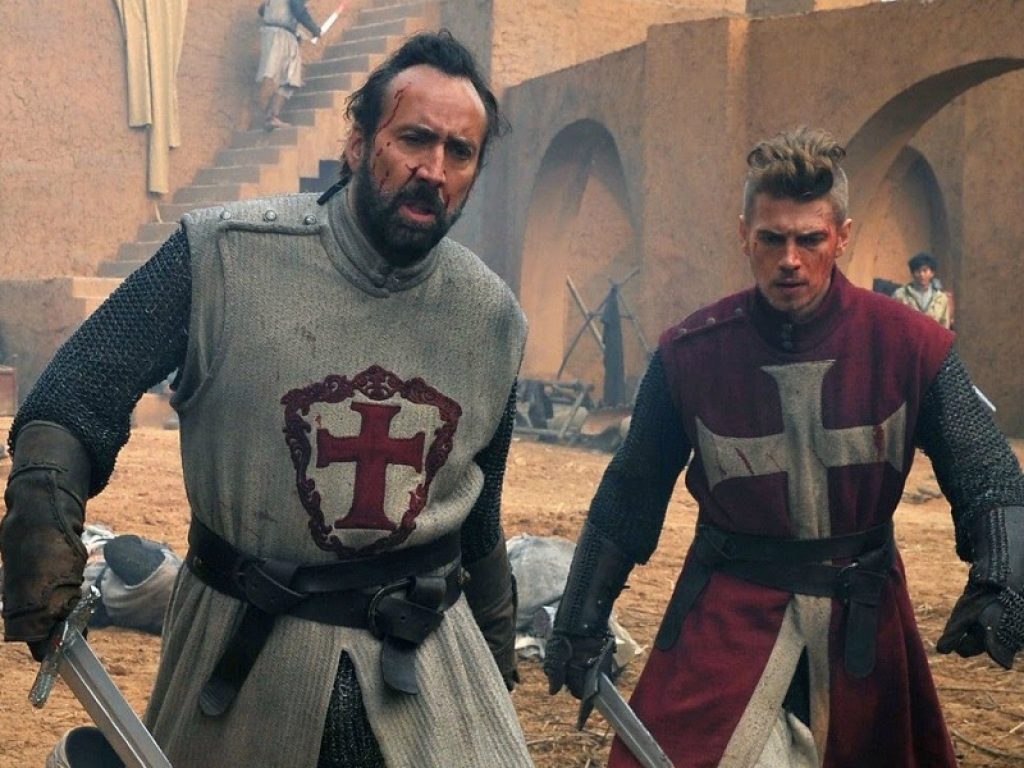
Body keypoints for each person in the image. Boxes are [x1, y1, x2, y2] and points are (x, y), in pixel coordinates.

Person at [1, 31, 534, 768]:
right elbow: (77, 393)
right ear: (357, 142)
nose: (433, 170)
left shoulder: (491, 316)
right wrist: (43, 500)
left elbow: (479, 514)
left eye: (460, 152)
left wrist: (496, 648)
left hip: (428, 669)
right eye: (414, 138)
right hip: (245, 664)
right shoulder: (224, 256)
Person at [543, 127, 1024, 767]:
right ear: (745, 234)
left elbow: (988, 473)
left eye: (810, 239)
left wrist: (1002, 578)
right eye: (772, 239)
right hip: (727, 612)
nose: (789, 259)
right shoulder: (692, 354)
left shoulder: (909, 345)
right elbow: (631, 492)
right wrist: (581, 616)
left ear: (842, 237)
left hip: (863, 614)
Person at [255, 0, 322, 131]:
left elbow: (262, 10)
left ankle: (270, 115)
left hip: (270, 33)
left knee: (282, 75)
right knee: (291, 78)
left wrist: (291, 28)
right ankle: (272, 115)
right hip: (281, 37)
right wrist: (314, 29)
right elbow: (298, 9)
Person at [892, 251, 953, 329]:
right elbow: (893, 322)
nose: (921, 274)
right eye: (917, 271)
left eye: (925, 270)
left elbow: (945, 327)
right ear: (912, 273)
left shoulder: (941, 299)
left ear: (932, 273)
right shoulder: (900, 295)